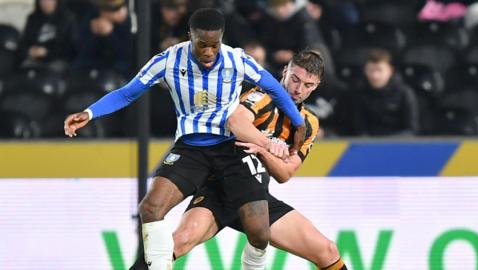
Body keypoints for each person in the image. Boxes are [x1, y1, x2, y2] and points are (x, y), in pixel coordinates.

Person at [64, 8, 306, 270]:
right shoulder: (168, 60)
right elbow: (127, 93)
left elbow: (272, 86)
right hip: (191, 149)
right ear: (190, 35)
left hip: (232, 149)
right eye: (203, 45)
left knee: (260, 235)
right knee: (150, 208)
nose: (209, 52)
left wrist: (298, 120)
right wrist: (90, 112)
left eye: (215, 45)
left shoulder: (237, 60)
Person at [169, 50, 348, 269]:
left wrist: (262, 152)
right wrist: (267, 144)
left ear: (317, 86)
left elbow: (285, 173)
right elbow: (236, 121)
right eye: (295, 79)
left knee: (327, 251)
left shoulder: (309, 122)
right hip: (220, 189)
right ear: (285, 71)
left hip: (257, 199)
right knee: (178, 242)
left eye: (308, 85)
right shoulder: (263, 97)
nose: (298, 89)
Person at [353, 49, 420, 136]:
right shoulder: (359, 94)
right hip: (368, 145)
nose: (374, 76)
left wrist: (386, 144)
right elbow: (359, 129)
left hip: (398, 144)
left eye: (379, 70)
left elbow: (412, 129)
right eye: (370, 70)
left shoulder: (405, 93)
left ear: (390, 71)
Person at [73, 0, 133, 77]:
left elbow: (126, 54)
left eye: (123, 7)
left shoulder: (127, 23)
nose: (122, 12)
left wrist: (110, 35)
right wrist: (94, 35)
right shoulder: (92, 18)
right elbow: (82, 51)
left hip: (118, 69)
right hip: (92, 67)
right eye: (114, 9)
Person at [16, 0, 76, 73]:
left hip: (58, 59)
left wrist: (46, 52)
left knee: (51, 71)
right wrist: (29, 50)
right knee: (24, 68)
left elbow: (70, 47)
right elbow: (24, 41)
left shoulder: (67, 19)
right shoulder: (32, 18)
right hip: (35, 59)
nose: (45, 3)